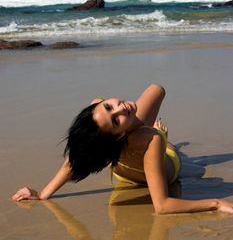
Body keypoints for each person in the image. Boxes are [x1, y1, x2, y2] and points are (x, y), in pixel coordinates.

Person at [11, 84, 233, 214]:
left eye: (110, 106)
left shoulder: (103, 140)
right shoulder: (150, 139)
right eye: (115, 121)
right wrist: (216, 203)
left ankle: (153, 133)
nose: (120, 109)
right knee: (166, 143)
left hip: (123, 167)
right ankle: (168, 140)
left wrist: (42, 195)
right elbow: (162, 206)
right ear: (117, 135)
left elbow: (76, 156)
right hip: (166, 166)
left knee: (152, 93)